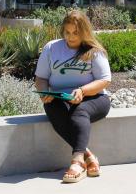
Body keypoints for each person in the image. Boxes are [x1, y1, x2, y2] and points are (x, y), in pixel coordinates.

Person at [35, 10, 111, 183]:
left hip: (94, 98)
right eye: (67, 32)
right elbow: (41, 78)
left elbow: (105, 80)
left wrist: (82, 91)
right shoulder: (51, 48)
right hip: (62, 98)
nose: (70, 37)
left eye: (75, 33)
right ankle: (88, 156)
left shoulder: (94, 50)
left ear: (84, 31)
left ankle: (77, 161)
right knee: (52, 107)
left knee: (79, 111)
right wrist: (43, 92)